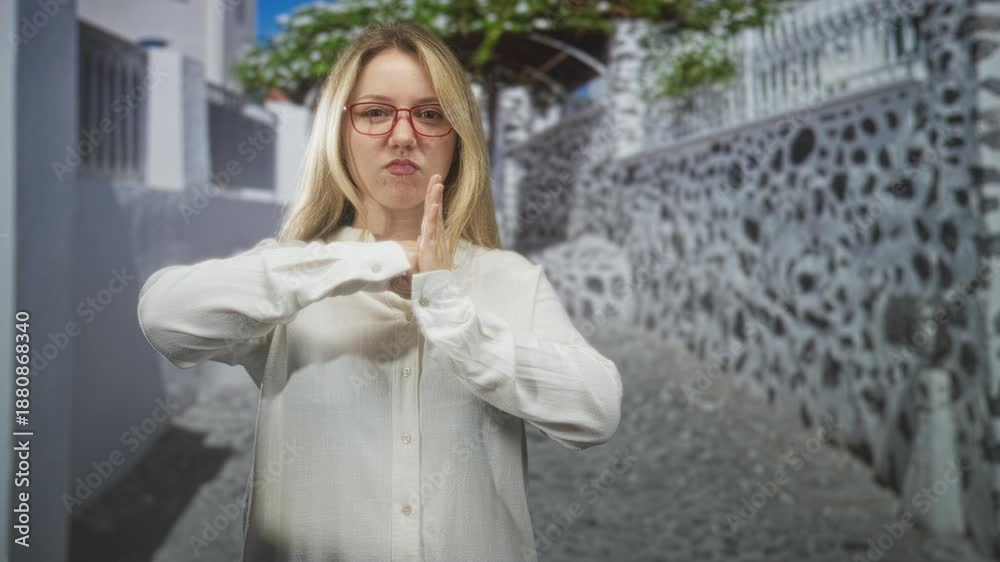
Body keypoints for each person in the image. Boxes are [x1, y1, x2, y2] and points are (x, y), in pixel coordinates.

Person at [137, 22, 623, 562]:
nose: (403, 135)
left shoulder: (510, 278)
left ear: (459, 138)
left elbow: (595, 411)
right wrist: (381, 261)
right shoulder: (295, 272)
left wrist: (454, 319)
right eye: (374, 112)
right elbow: (165, 319)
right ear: (340, 135)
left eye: (430, 114)